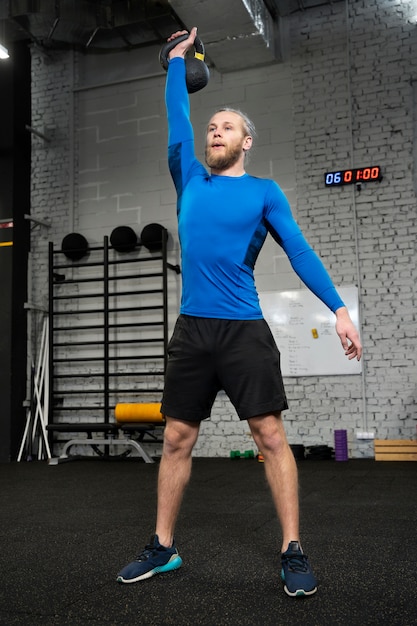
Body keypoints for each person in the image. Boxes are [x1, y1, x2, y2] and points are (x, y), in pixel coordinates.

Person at [117, 27, 362, 597]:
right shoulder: (189, 179)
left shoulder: (265, 192)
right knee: (177, 437)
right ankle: (163, 546)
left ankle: (292, 548)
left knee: (269, 435)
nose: (214, 131)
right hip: (194, 330)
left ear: (247, 140)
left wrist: (340, 310)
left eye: (226, 126)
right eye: (212, 127)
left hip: (244, 329)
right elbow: (178, 112)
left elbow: (298, 251)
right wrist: (176, 61)